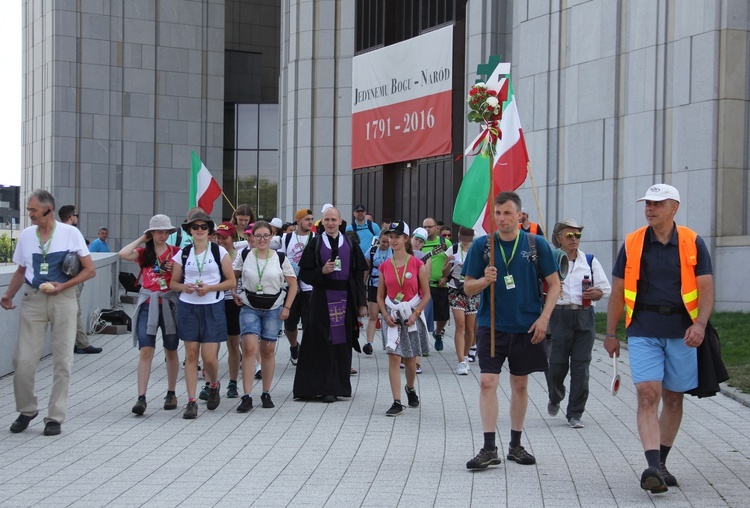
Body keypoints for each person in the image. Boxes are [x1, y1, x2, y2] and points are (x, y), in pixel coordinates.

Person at [605, 184, 713, 494]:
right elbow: (617, 291)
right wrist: (611, 333)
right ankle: (651, 465)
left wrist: (700, 325)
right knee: (647, 394)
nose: (650, 208)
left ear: (673, 208)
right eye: (647, 203)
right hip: (643, 328)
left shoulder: (693, 242)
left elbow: (706, 288)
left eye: (657, 203)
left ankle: (661, 463)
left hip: (682, 330)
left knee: (674, 398)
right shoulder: (632, 242)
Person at [462, 191, 560, 469]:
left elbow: (554, 284)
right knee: (487, 382)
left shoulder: (536, 244)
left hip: (528, 326)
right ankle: (488, 447)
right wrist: (484, 280)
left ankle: (516, 445)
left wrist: (544, 319)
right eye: (497, 213)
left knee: (520, 384)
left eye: (507, 213)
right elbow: (467, 287)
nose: (502, 218)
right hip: (492, 326)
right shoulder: (483, 246)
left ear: (520, 215)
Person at [3, 190, 96, 436]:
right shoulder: (26, 236)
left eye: (33, 210)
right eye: (29, 209)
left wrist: (63, 286)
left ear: (48, 210)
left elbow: (89, 270)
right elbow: (22, 270)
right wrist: (8, 295)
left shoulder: (70, 233)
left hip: (63, 299)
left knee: (63, 360)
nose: (29, 214)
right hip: (33, 299)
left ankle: (55, 416)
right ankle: (27, 409)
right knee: (22, 361)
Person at [292, 207, 367, 402]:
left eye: (334, 219)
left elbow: (358, 275)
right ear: (322, 223)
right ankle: (318, 386)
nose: (331, 223)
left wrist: (361, 303)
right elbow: (305, 274)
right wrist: (321, 272)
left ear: (341, 221)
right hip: (321, 298)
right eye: (327, 220)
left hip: (345, 297)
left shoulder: (350, 243)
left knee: (340, 342)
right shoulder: (315, 243)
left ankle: (336, 386)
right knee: (320, 341)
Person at [170, 211, 236, 419]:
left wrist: (209, 288)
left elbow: (231, 281)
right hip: (188, 306)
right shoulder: (183, 253)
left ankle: (213, 384)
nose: (199, 230)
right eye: (195, 227)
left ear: (209, 231)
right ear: (189, 230)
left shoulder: (218, 252)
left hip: (212, 305)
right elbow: (173, 283)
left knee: (209, 358)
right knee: (191, 355)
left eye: (203, 227)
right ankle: (191, 401)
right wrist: (184, 287)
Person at [546, 219, 611, 428]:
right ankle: (556, 395)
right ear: (558, 238)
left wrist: (597, 293)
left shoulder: (590, 260)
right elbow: (538, 288)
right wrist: (551, 286)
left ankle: (575, 413)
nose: (574, 239)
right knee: (556, 365)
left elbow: (604, 289)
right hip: (559, 315)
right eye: (569, 235)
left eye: (578, 235)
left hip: (584, 316)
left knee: (581, 366)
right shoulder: (551, 261)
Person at [118, 214, 181, 415]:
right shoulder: (144, 253)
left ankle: (171, 392)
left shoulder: (176, 253)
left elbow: (186, 275)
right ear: (151, 233)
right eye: (158, 231)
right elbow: (123, 254)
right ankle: (141, 397)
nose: (162, 235)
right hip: (148, 302)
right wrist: (142, 239)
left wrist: (176, 269)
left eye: (165, 232)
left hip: (169, 302)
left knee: (171, 349)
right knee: (146, 349)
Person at [233, 221, 297, 412]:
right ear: (251, 237)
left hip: (273, 307)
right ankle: (246, 395)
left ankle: (266, 392)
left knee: (268, 350)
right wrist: (234, 292)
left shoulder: (280, 257)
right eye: (257, 236)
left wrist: (287, 307)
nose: (261, 239)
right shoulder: (244, 255)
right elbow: (232, 275)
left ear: (271, 237)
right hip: (249, 305)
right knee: (249, 348)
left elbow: (293, 284)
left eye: (265, 236)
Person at [377, 221, 430, 416]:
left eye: (397, 237)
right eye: (390, 236)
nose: (393, 240)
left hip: (411, 315)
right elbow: (380, 296)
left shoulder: (417, 264)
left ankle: (410, 387)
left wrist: (416, 314)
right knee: (393, 357)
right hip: (392, 315)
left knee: (410, 360)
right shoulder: (384, 266)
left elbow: (426, 294)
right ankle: (396, 401)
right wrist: (384, 314)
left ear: (406, 239)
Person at [58, 205, 102, 354]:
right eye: (76, 215)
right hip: (72, 278)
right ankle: (82, 344)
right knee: (75, 311)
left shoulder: (54, 232)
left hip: (59, 278)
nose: (76, 218)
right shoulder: (72, 232)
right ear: (71, 217)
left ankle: (75, 343)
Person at [277, 208, 315, 366]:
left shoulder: (316, 238)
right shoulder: (286, 238)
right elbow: (280, 259)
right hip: (291, 286)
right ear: (298, 221)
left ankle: (307, 353)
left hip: (309, 287)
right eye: (307, 219)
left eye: (312, 219)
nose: (310, 222)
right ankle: (294, 346)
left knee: (309, 322)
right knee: (290, 323)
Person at [443, 226, 479, 375]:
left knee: (470, 328)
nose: (464, 242)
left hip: (472, 288)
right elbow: (443, 273)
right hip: (455, 287)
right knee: (460, 324)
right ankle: (461, 362)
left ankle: (466, 354)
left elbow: (482, 269)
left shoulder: (476, 249)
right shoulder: (453, 249)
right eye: (462, 239)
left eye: (467, 240)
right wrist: (449, 263)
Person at [215, 222, 242, 399]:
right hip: (215, 301)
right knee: (212, 344)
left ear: (233, 238)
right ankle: (212, 383)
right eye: (218, 237)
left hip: (233, 303)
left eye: (224, 238)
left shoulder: (239, 255)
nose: (221, 241)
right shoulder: (211, 254)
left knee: (233, 344)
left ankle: (232, 382)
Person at [420, 217, 452, 350]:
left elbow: (452, 262)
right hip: (424, 285)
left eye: (430, 227)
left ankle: (438, 333)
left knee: (443, 316)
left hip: (441, 284)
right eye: (425, 227)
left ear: (436, 228)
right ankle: (423, 342)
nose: (427, 230)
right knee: (424, 315)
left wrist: (446, 278)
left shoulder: (446, 243)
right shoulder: (420, 242)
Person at [363, 229, 392, 355]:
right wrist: (363, 286)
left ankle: (389, 343)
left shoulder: (394, 251)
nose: (385, 244)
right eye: (383, 242)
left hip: (389, 286)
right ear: (379, 239)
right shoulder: (373, 250)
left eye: (387, 242)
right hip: (374, 284)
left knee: (389, 316)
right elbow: (366, 269)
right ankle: (369, 343)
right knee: (373, 315)